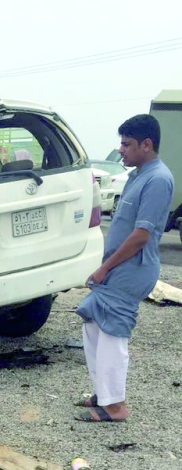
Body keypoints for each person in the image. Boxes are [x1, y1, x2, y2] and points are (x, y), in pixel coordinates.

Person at [76, 114, 174, 423]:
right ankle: (103, 394)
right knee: (92, 321)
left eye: (127, 144)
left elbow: (141, 235)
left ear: (147, 144)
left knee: (113, 333)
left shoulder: (158, 179)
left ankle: (115, 406)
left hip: (132, 269)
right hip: (118, 267)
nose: (121, 150)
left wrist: (105, 268)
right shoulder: (138, 174)